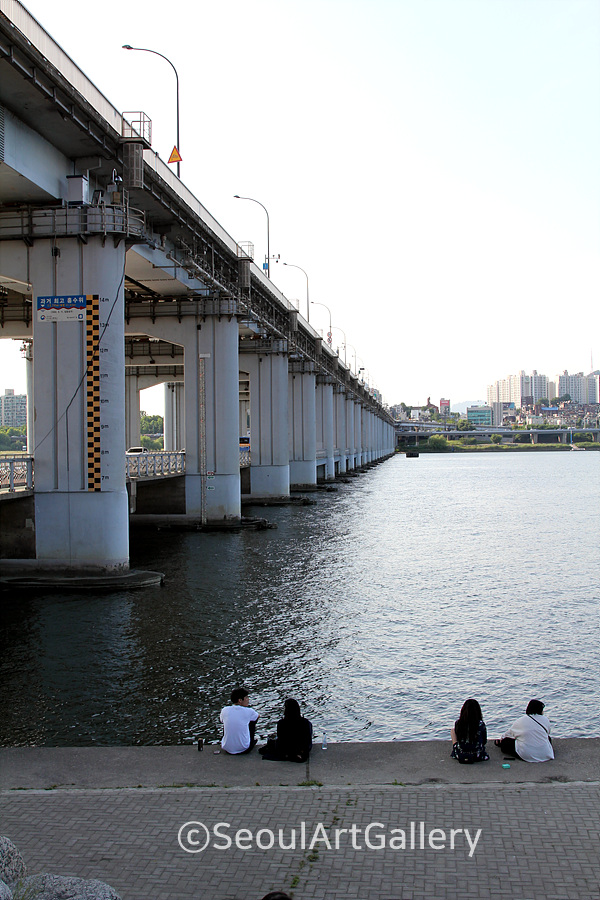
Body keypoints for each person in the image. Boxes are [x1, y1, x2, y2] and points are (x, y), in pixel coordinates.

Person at [260, 698, 313, 763]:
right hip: (301, 748)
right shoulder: (305, 722)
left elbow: (281, 739)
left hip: (286, 749)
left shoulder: (281, 723)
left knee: (271, 745)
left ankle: (290, 754)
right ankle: (297, 753)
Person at [220, 687, 259, 754]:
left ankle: (230, 741)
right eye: (246, 698)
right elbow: (257, 716)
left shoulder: (225, 710)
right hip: (244, 748)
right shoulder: (248, 711)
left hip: (227, 748)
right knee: (252, 721)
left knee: (227, 721)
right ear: (240, 700)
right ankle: (249, 741)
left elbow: (221, 720)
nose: (248, 699)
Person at [450, 698, 489, 764]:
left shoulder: (458, 723)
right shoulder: (480, 724)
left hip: (461, 755)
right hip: (477, 755)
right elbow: (484, 741)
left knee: (452, 731)